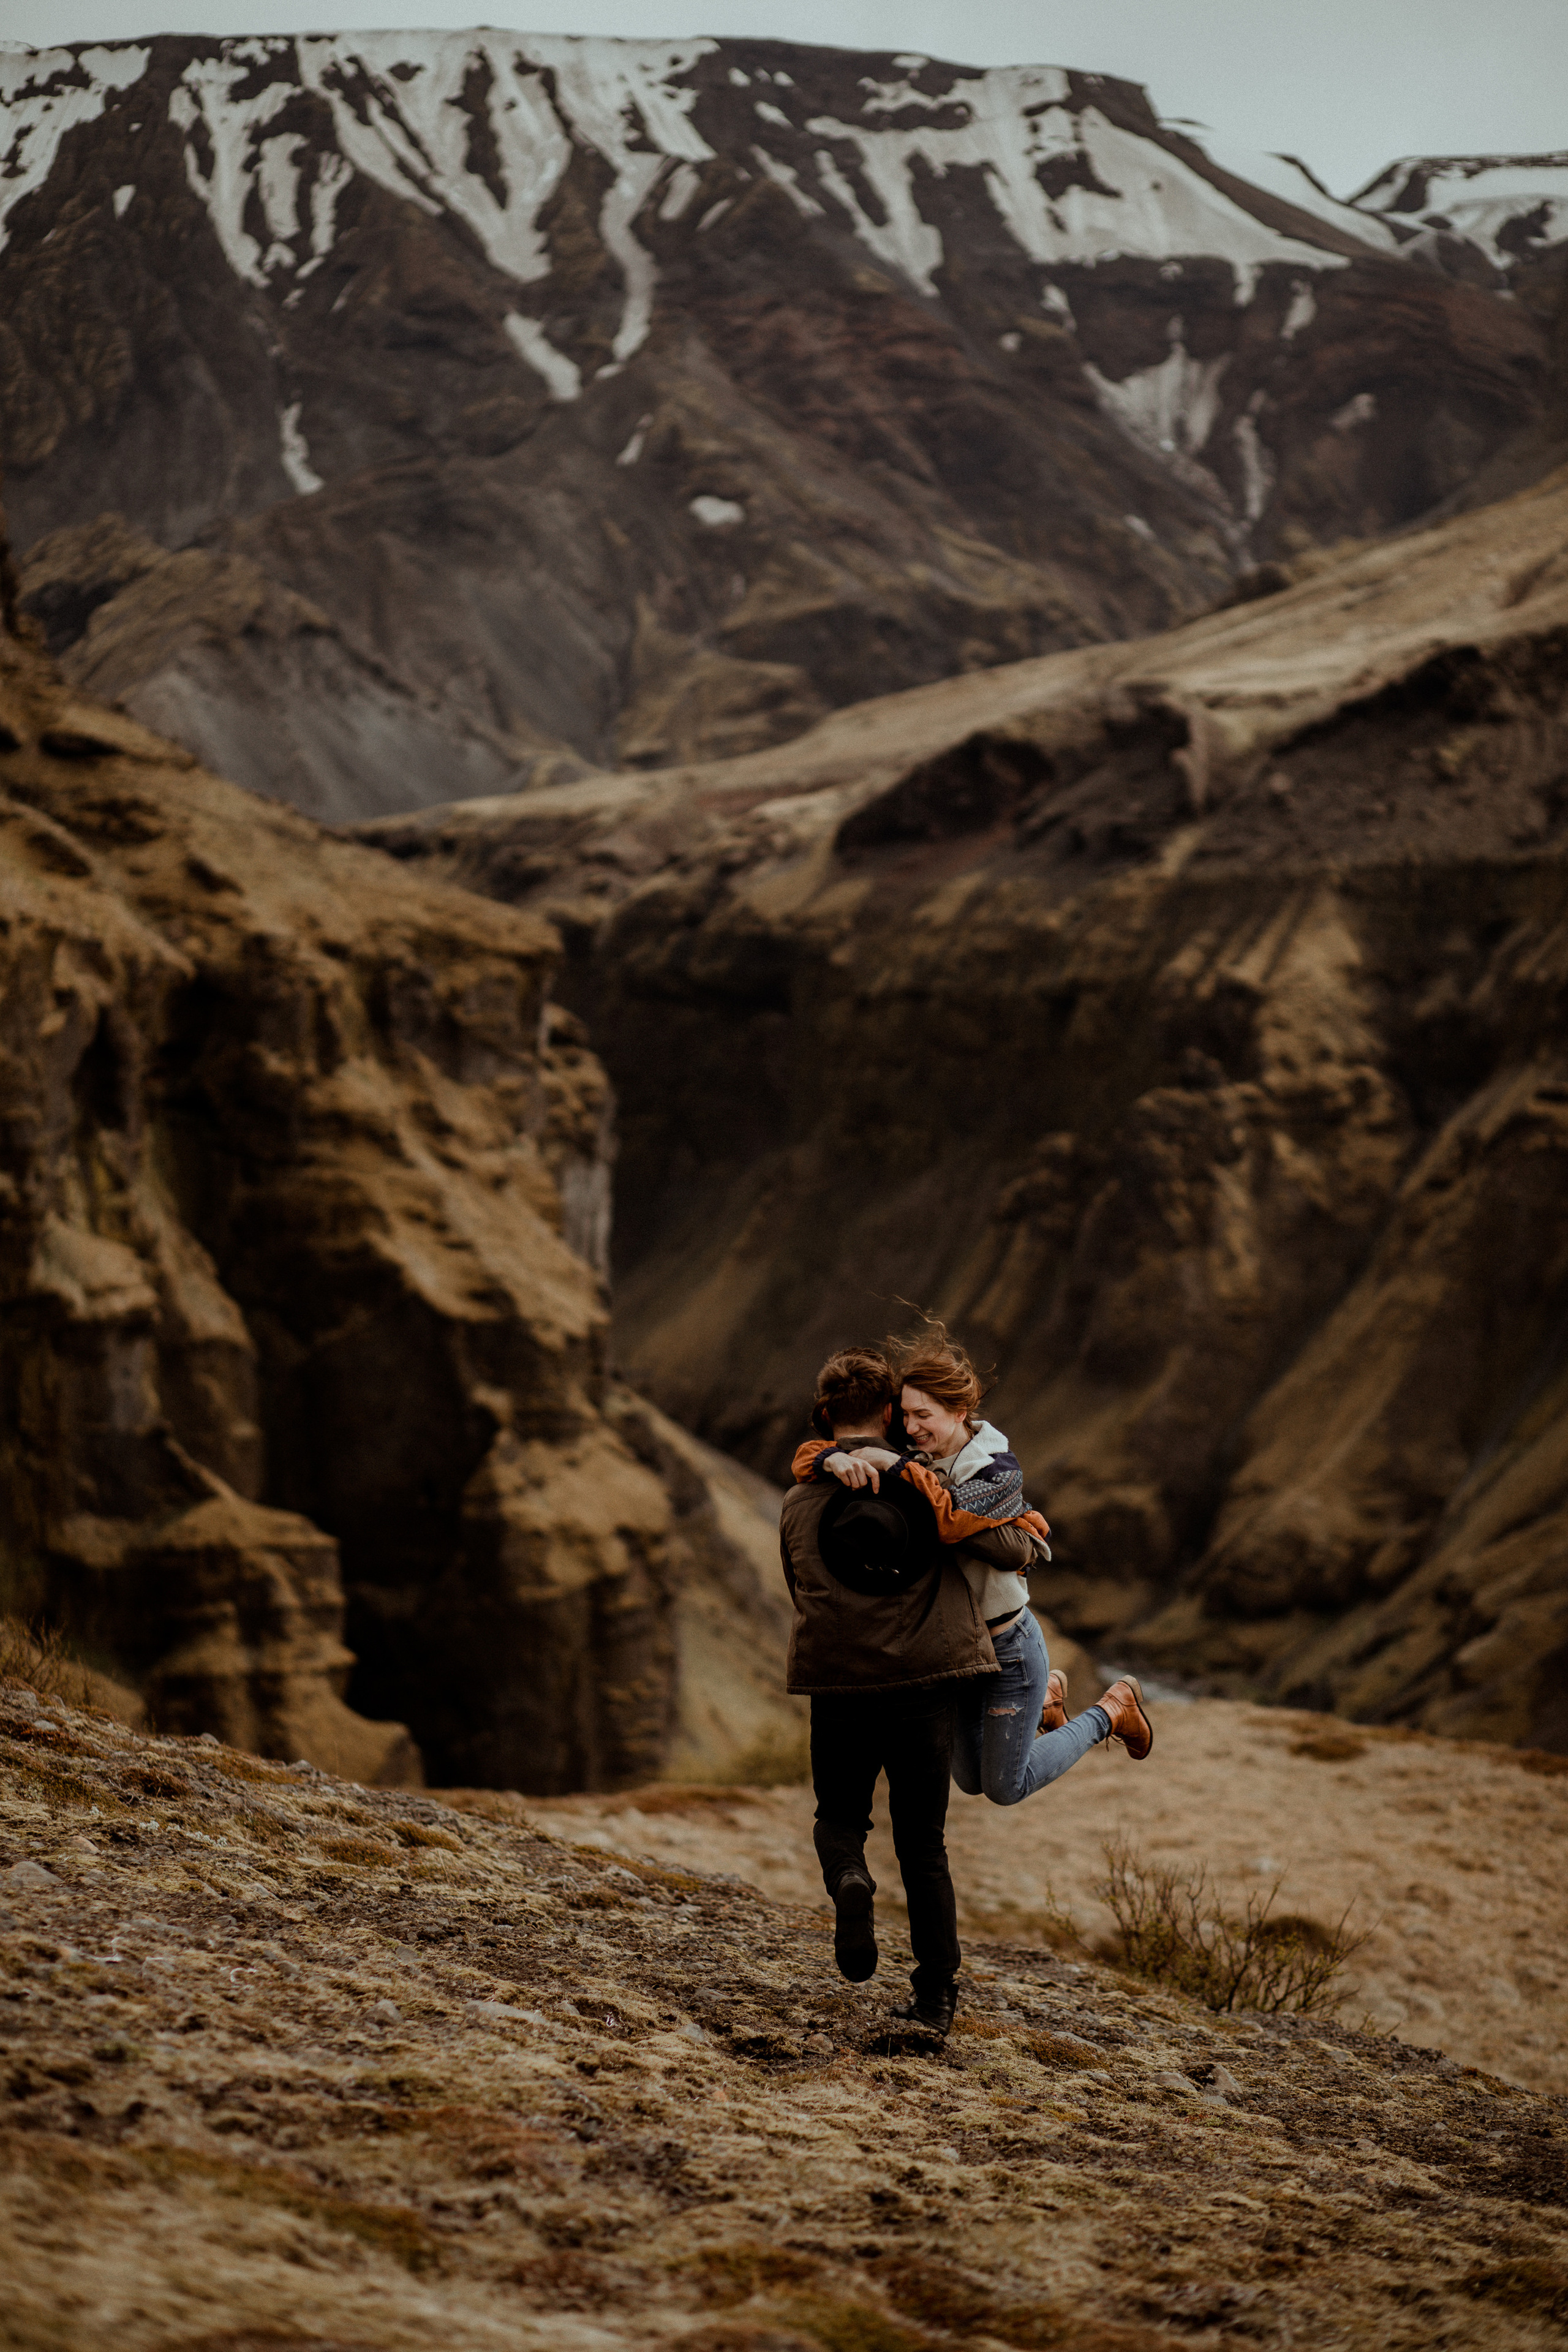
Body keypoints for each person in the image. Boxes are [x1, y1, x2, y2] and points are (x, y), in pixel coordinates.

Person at [779, 1345, 1039, 2037]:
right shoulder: (926, 1492)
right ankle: (933, 2002)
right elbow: (1006, 1549)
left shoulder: (800, 1501)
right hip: (924, 1685)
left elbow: (800, 1587)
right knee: (923, 1846)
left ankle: (849, 1882)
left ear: (823, 1417)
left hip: (837, 1685)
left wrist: (823, 1461)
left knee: (839, 1817)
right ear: (892, 1415)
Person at [793, 1328, 1153, 1808]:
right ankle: (1045, 1700)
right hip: (960, 1651)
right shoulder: (917, 1452)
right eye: (905, 1415)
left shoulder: (994, 1467)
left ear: (959, 1412)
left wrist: (900, 1470)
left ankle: (1111, 1711)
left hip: (1006, 1643)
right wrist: (834, 1456)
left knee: (1006, 1787)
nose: (912, 1426)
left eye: (924, 1415)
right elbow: (821, 1449)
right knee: (968, 1779)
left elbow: (947, 1518)